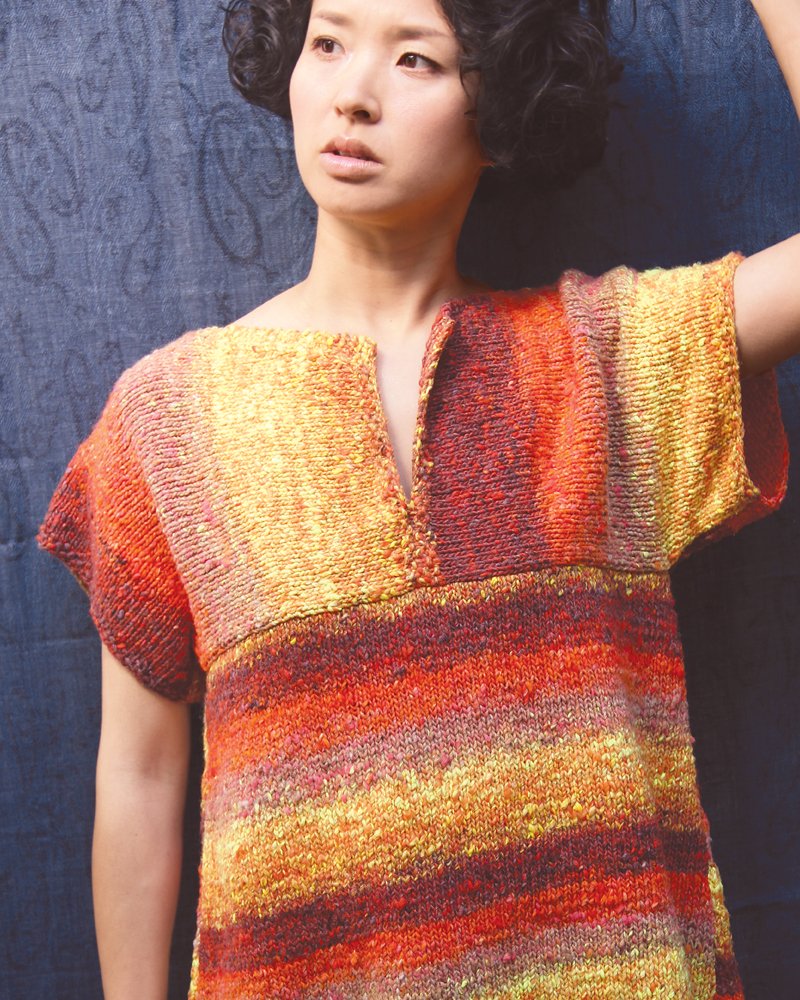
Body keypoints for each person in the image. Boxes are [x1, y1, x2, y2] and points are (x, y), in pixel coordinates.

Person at [37, 0, 800, 997]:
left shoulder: (604, 361)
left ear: (503, 108)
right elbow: (137, 780)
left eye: (415, 60)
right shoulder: (167, 417)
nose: (352, 94)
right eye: (326, 42)